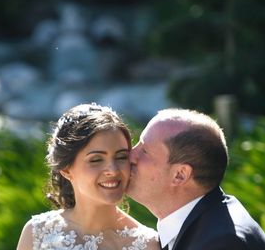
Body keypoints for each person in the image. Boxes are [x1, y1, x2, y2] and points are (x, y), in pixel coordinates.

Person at [17, 103, 159, 250]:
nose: (113, 170)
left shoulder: (149, 245)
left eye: (121, 157)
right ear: (66, 169)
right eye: (96, 160)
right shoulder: (37, 233)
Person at [127, 108, 265, 250]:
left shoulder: (222, 243)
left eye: (144, 151)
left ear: (180, 175)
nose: (130, 155)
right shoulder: (209, 223)